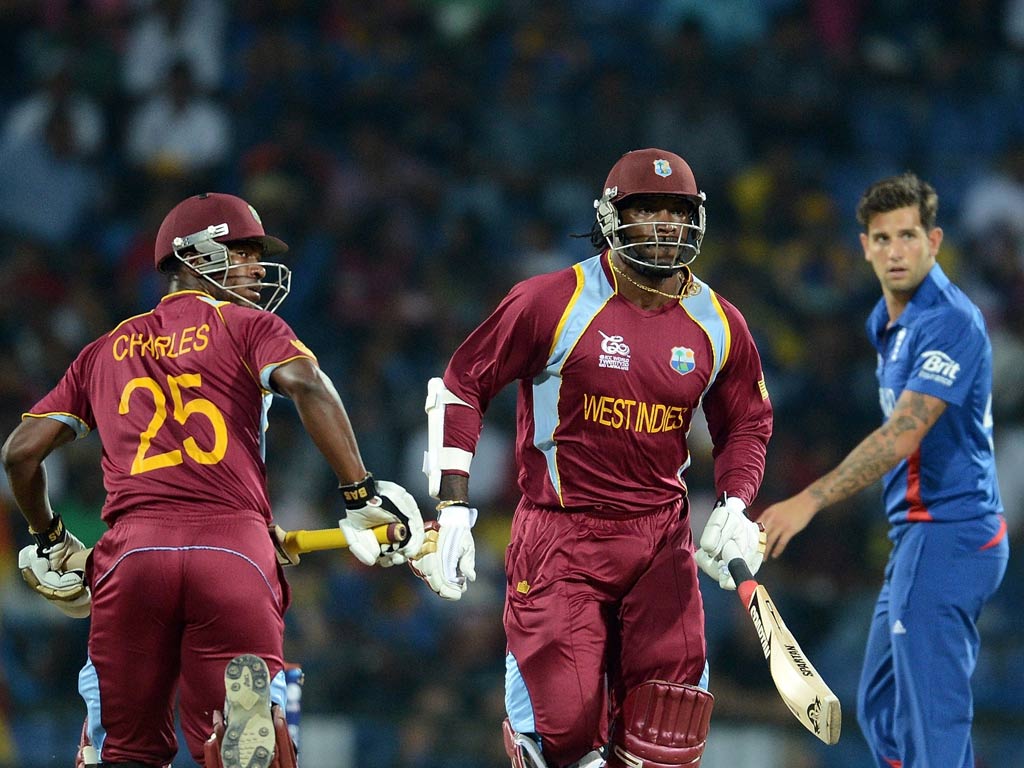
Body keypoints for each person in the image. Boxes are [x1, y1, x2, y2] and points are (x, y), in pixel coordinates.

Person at [1, 192, 424, 768]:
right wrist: (360, 493)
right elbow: (309, 384)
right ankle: (236, 731)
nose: (255, 269)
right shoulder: (249, 326)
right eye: (242, 252)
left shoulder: (102, 351)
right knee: (244, 739)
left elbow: (20, 454)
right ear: (194, 255)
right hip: (235, 551)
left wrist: (49, 538)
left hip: (130, 555)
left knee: (123, 750)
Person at [410, 148, 772, 768]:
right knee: (570, 743)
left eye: (676, 212)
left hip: (662, 539)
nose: (663, 226)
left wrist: (736, 503)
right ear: (610, 219)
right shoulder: (551, 301)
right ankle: (534, 736)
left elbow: (747, 422)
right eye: (646, 211)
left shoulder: (720, 322)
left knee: (668, 735)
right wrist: (454, 505)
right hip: (561, 535)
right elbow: (462, 383)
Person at [759, 172, 1010, 768]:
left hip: (953, 530)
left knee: (930, 713)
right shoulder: (885, 322)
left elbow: (904, 433)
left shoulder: (952, 321)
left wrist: (809, 499)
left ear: (935, 241)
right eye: (882, 238)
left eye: (909, 236)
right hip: (914, 537)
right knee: (879, 708)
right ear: (866, 247)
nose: (896, 251)